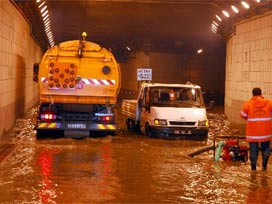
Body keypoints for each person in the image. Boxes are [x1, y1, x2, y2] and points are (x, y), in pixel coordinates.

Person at [240, 87, 272, 171]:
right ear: (261, 94)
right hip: (265, 133)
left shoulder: (248, 104)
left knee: (253, 151)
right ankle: (264, 166)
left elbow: (242, 115)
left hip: (253, 134)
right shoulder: (269, 103)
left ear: (252, 94)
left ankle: (253, 170)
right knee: (266, 149)